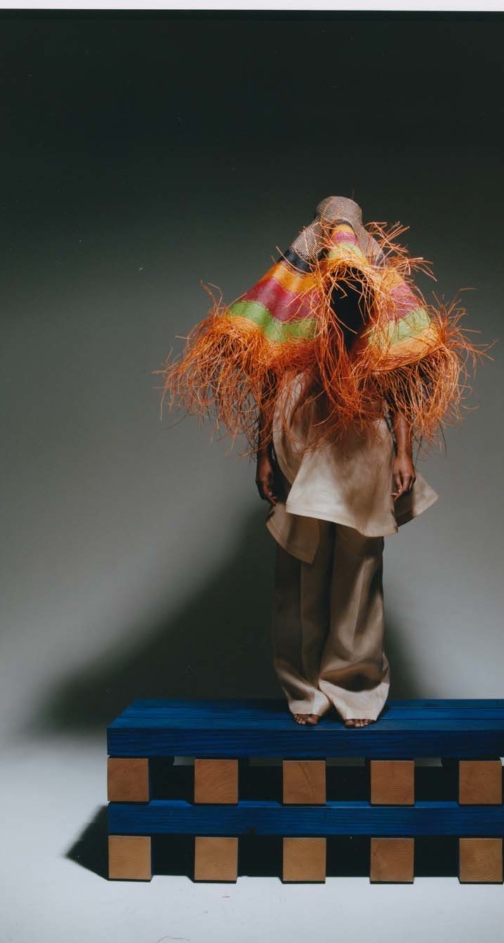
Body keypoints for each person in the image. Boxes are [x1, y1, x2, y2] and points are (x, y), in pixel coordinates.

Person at [161, 196, 482, 727]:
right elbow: (270, 377)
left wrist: (404, 452)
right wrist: (263, 454)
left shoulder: (376, 294)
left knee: (359, 568)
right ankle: (304, 689)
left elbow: (398, 378)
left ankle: (355, 688)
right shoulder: (298, 299)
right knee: (300, 564)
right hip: (301, 442)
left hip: (363, 445)